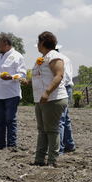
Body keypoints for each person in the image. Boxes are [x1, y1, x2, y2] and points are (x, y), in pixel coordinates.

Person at [24, 31, 68, 167]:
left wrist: (47, 92)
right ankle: (39, 159)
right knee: (42, 130)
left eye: (38, 42)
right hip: (41, 99)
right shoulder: (44, 58)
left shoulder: (54, 57)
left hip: (52, 98)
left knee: (52, 129)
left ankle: (52, 161)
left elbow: (58, 76)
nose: (37, 45)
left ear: (42, 43)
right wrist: (29, 81)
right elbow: (42, 78)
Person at [56, 46, 76, 154]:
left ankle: (58, 148)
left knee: (60, 117)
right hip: (64, 88)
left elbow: (63, 77)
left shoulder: (62, 60)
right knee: (64, 117)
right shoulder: (64, 59)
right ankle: (69, 144)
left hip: (63, 89)